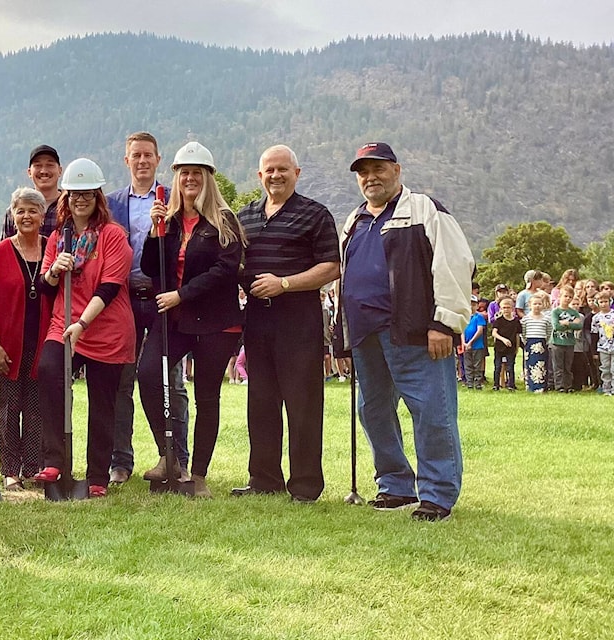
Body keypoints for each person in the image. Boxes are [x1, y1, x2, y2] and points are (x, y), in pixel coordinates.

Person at [338, 142, 474, 521]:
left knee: (431, 411)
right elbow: (345, 280)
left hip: (416, 332)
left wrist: (444, 322)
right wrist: (342, 337)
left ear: (397, 170)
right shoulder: (355, 220)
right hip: (366, 335)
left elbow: (455, 264)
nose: (370, 177)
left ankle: (437, 495)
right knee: (373, 411)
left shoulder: (425, 210)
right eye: (363, 172)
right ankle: (396, 485)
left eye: (378, 168)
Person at [136, 142, 245, 498]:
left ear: (208, 178)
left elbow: (225, 270)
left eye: (197, 173)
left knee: (206, 396)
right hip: (175, 319)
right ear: (176, 179)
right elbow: (152, 269)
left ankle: (198, 475)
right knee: (149, 373)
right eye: (184, 173)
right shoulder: (167, 222)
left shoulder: (223, 221)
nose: (190, 179)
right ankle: (169, 457)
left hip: (215, 321)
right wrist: (154, 234)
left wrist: (183, 293)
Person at [234, 144, 340, 502]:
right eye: (269, 170)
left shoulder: (315, 214)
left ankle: (306, 486)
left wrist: (285, 283)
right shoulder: (244, 216)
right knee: (260, 402)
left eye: (283, 169)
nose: (275, 176)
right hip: (257, 319)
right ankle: (264, 479)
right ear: (259, 175)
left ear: (297, 173)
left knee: (303, 404)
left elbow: (331, 266)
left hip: (299, 318)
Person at [33, 158, 136, 498]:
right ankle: (55, 461)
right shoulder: (56, 240)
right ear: (65, 197)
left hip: (104, 326)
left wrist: (82, 323)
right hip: (64, 322)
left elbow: (109, 287)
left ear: (98, 197)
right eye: (74, 194)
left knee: (103, 401)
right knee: (49, 371)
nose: (80, 200)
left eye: (88, 194)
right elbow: (45, 286)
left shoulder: (113, 236)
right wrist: (53, 271)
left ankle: (97, 477)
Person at [105, 132, 189, 484]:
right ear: (127, 161)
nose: (141, 161)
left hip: (162, 298)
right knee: (120, 382)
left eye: (148, 156)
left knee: (168, 379)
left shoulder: (175, 200)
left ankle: (175, 457)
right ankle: (120, 462)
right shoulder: (110, 204)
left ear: (158, 160)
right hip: (123, 297)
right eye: (135, 155)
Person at [0, 187, 53, 491]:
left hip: (42, 344)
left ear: (42, 216)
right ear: (12, 214)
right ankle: (11, 471)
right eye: (20, 210)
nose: (26, 216)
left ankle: (33, 467)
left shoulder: (52, 250)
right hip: (7, 345)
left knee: (36, 408)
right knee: (9, 407)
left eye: (33, 210)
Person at [1, 145, 63, 240]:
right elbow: (4, 249)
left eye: (50, 165)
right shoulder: (14, 211)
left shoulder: (69, 208)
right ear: (29, 172)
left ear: (60, 171)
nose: (43, 171)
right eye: (38, 165)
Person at [550, 285, 583, 392]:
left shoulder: (573, 312)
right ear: (560, 296)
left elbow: (579, 326)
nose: (567, 298)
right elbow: (556, 326)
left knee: (567, 367)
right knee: (558, 366)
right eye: (565, 296)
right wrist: (572, 324)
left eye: (570, 297)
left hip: (569, 342)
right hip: (557, 342)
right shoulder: (555, 312)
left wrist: (567, 323)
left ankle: (568, 386)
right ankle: (559, 386)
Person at [521, 292, 553, 392]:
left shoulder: (546, 319)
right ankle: (531, 386)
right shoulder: (526, 319)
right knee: (530, 364)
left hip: (542, 343)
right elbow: (523, 332)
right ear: (530, 305)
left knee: (541, 364)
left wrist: (545, 341)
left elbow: (549, 331)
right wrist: (526, 342)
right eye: (535, 304)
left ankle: (541, 386)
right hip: (530, 343)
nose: (537, 306)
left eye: (539, 304)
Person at [490, 296, 521, 391]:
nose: (506, 309)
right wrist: (503, 339)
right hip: (499, 348)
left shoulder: (516, 322)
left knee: (510, 366)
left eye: (508, 307)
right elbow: (494, 333)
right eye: (504, 307)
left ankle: (511, 384)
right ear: (500, 308)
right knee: (498, 366)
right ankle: (496, 385)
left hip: (511, 348)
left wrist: (517, 347)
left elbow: (517, 335)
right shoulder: (498, 321)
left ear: (512, 308)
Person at [591, 291, 614, 395]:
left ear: (610, 302)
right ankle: (606, 389)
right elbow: (594, 335)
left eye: (606, 301)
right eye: (601, 302)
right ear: (597, 303)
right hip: (603, 347)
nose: (604, 304)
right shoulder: (596, 318)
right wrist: (594, 351)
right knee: (605, 368)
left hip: (613, 345)